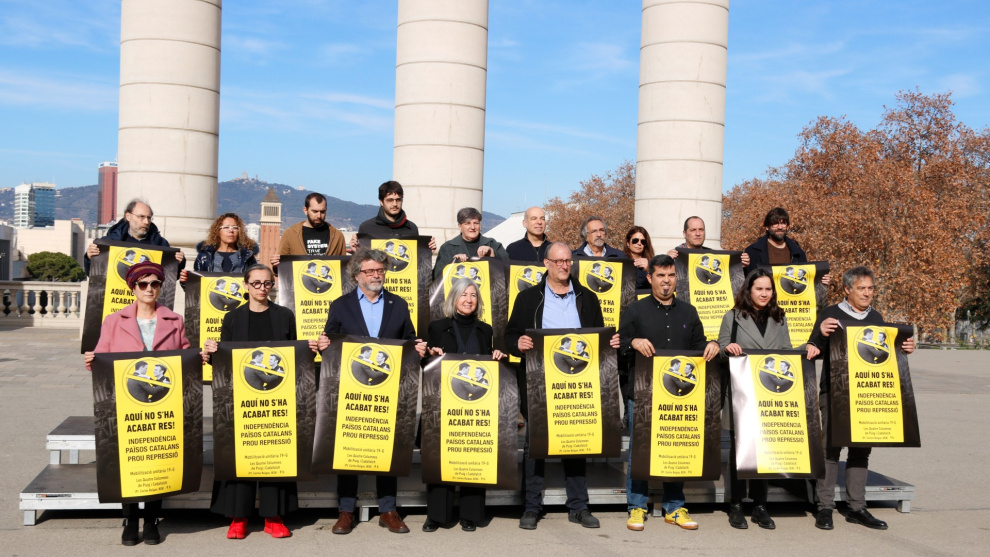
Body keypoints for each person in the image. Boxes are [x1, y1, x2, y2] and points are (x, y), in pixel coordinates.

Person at [505, 242, 621, 530]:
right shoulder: (528, 298)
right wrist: (518, 343)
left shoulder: (587, 298)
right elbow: (509, 335)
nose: (564, 265)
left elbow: (598, 339)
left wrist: (610, 342)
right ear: (546, 264)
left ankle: (579, 507)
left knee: (576, 443)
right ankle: (531, 507)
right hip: (539, 383)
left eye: (568, 260)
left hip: (578, 383)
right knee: (536, 446)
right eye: (558, 261)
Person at [202, 263, 322, 540]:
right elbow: (224, 361)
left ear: (272, 285)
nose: (262, 288)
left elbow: (293, 356)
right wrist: (211, 352)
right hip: (242, 399)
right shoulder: (232, 318)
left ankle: (273, 516)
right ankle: (238, 517)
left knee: (275, 455)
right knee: (240, 453)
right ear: (246, 285)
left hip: (277, 398)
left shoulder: (284, 315)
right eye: (256, 283)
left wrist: (308, 349)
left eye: (267, 283)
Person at [83, 261, 193, 546]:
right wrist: (92, 360)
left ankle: (152, 519)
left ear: (161, 287)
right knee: (129, 458)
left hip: (163, 402)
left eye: (155, 283)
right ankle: (130, 519)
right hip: (126, 402)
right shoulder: (113, 321)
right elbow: (102, 356)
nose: (149, 289)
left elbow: (184, 355)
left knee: (157, 458)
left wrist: (198, 358)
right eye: (143, 284)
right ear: (133, 287)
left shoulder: (175, 320)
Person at [321, 248, 428, 534]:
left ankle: (388, 510)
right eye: (369, 271)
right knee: (348, 449)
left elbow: (408, 339)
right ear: (356, 275)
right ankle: (346, 511)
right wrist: (323, 345)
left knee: (387, 448)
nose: (376, 275)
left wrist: (417, 348)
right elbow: (330, 341)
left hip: (388, 387)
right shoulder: (341, 305)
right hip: (351, 389)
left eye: (380, 270)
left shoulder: (398, 304)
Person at [617, 254, 720, 532]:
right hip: (643, 394)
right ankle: (637, 506)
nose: (666, 281)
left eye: (671, 275)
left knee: (676, 446)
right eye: (661, 275)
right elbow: (619, 345)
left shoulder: (689, 312)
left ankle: (674, 507)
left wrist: (711, 345)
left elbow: (699, 346)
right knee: (640, 451)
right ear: (650, 278)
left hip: (679, 396)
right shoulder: (634, 310)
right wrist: (633, 342)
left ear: (677, 278)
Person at [807, 266, 915, 531]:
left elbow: (882, 355)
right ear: (847, 289)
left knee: (861, 450)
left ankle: (857, 508)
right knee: (830, 449)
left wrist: (904, 347)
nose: (867, 293)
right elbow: (813, 350)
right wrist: (820, 334)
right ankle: (824, 507)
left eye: (870, 288)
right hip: (835, 392)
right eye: (861, 288)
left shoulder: (876, 317)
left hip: (866, 394)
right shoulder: (830, 314)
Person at [717, 268, 820, 530]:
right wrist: (727, 349)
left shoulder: (779, 317)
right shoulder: (732, 317)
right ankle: (735, 505)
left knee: (764, 449)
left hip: (768, 394)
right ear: (748, 290)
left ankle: (760, 506)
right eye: (759, 288)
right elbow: (719, 350)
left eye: (768, 289)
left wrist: (805, 348)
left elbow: (784, 352)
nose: (764, 293)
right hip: (741, 394)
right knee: (739, 451)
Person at [422, 278, 505, 532]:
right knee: (440, 455)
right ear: (453, 299)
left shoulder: (485, 330)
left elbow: (487, 367)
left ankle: (470, 515)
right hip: (443, 403)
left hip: (476, 404)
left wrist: (496, 356)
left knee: (473, 455)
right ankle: (437, 515)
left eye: (473, 295)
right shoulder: (437, 327)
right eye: (463, 295)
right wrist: (430, 354)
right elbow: (425, 363)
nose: (469, 300)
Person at [85, 199, 186, 273]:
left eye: (149, 218)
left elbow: (169, 279)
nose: (146, 222)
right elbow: (94, 275)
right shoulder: (110, 242)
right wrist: (90, 258)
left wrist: (179, 262)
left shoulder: (160, 244)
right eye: (141, 217)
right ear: (128, 216)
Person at [349, 180, 437, 251]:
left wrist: (426, 251)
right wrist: (356, 251)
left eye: (398, 200)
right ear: (381, 202)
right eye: (390, 200)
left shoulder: (412, 228)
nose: (395, 204)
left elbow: (416, 260)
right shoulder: (367, 227)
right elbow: (362, 262)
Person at [272, 193, 347, 270]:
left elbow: (344, 268)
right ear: (305, 210)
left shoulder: (337, 236)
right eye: (315, 211)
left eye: (322, 211)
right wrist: (276, 266)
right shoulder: (290, 234)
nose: (319, 216)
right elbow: (282, 267)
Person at [433, 207, 509, 279]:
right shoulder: (447, 248)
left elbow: (509, 269)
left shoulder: (492, 244)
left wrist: (493, 255)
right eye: (467, 223)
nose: (472, 227)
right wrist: (453, 263)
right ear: (460, 226)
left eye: (476, 223)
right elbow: (437, 277)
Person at [188, 213, 258, 276]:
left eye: (235, 228)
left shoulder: (247, 256)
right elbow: (196, 282)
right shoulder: (204, 256)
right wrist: (185, 280)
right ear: (218, 231)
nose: (231, 231)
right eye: (226, 227)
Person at [667, 216, 751, 268]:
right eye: (693, 230)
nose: (698, 234)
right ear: (684, 233)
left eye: (701, 230)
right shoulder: (675, 257)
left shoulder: (713, 256)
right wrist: (665, 262)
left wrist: (739, 266)